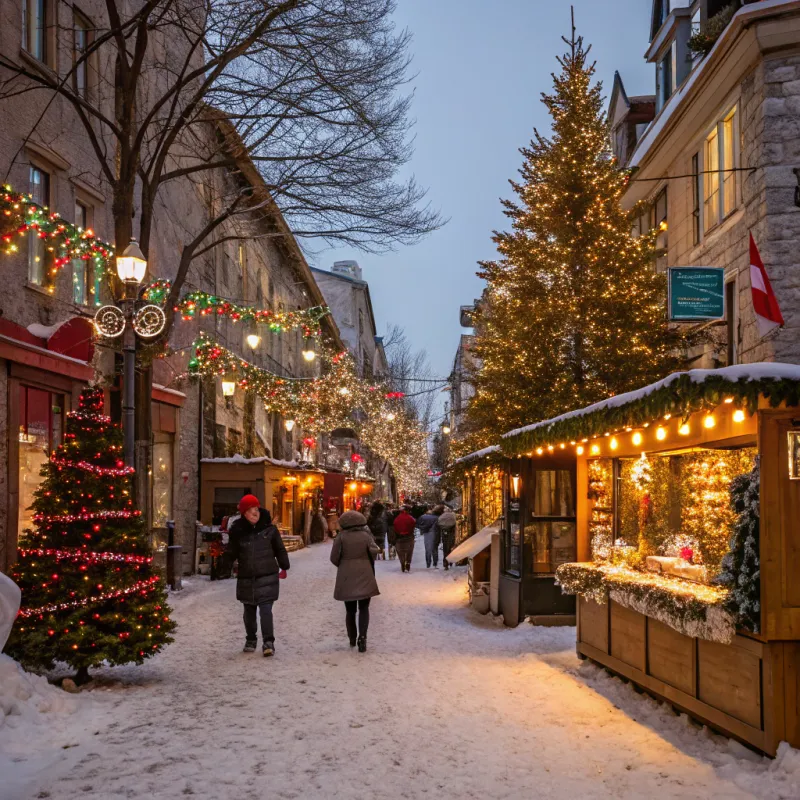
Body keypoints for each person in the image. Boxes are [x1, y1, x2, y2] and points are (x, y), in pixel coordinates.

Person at [226, 494, 290, 656]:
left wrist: (284, 564)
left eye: (255, 509)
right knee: (249, 611)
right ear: (244, 514)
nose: (254, 513)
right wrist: (224, 565)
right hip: (247, 577)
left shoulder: (269, 530)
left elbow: (279, 549)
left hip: (267, 576)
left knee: (266, 610)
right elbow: (231, 551)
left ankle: (268, 642)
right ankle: (251, 639)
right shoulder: (238, 531)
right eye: (249, 510)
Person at [330, 510, 380, 652]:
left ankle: (352, 637)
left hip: (346, 576)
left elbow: (334, 558)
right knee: (364, 608)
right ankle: (363, 637)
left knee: (350, 610)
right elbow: (373, 552)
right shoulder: (366, 536)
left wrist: (344, 564)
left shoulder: (341, 537)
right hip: (365, 574)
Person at [393, 506, 416, 572]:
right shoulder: (410, 518)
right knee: (409, 551)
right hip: (409, 537)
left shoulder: (397, 518)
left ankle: (402, 562)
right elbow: (413, 523)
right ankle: (408, 562)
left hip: (399, 537)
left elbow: (395, 526)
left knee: (400, 551)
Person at [436, 506, 458, 571]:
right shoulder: (453, 515)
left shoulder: (442, 516)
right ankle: (450, 561)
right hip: (451, 534)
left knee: (445, 549)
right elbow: (455, 524)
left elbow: (438, 524)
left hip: (444, 535)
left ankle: (445, 564)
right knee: (451, 548)